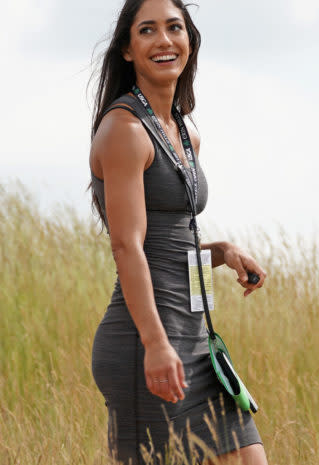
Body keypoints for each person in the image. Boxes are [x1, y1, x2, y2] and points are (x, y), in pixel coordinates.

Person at [88, 0, 269, 463]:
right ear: (127, 50)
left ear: (190, 40)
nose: (164, 40)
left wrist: (222, 251)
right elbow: (127, 247)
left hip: (194, 340)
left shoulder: (186, 132)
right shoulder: (125, 130)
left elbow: (168, 246)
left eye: (175, 28)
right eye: (147, 31)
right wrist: (154, 343)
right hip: (145, 342)